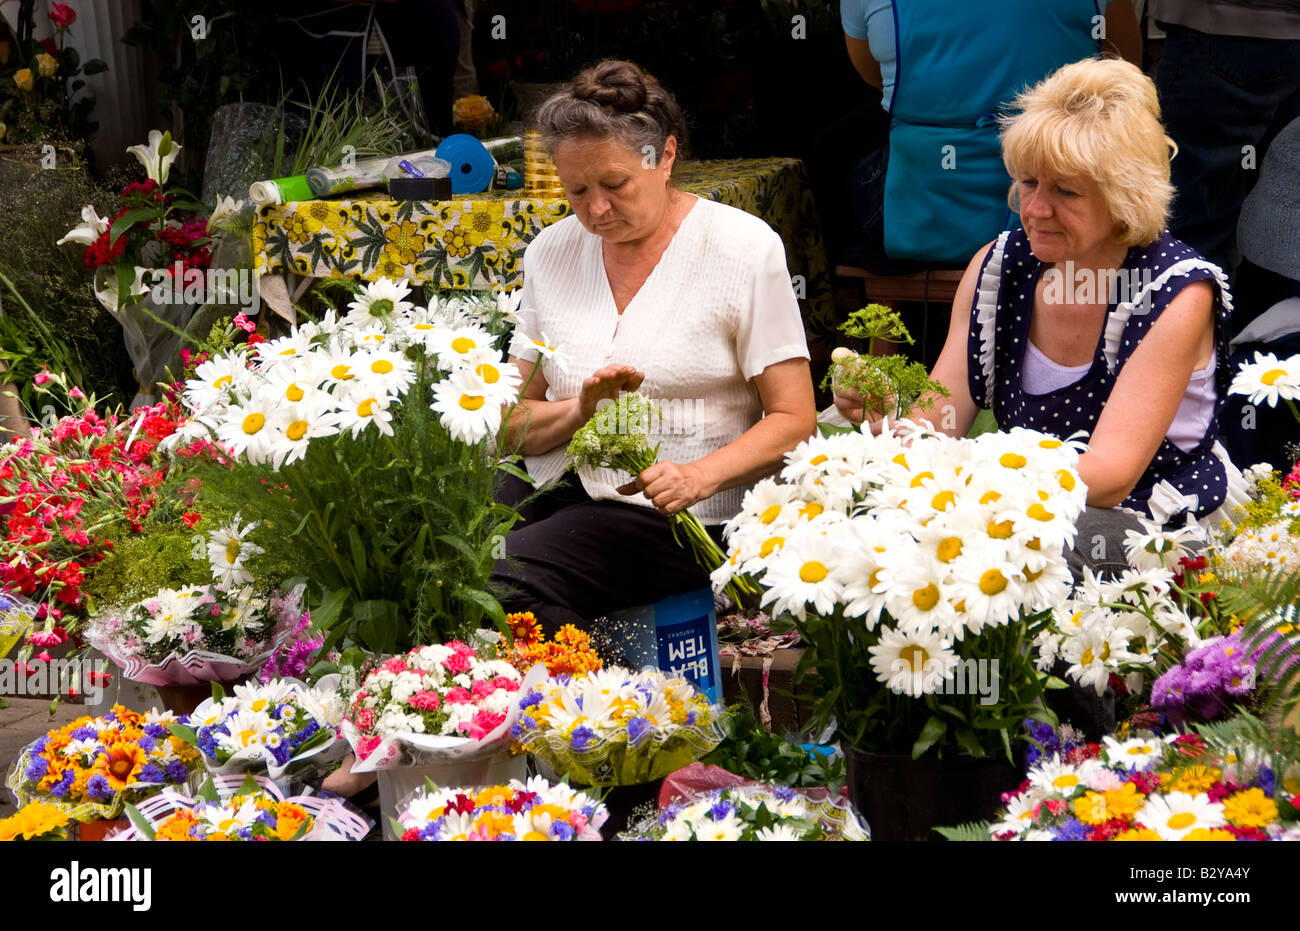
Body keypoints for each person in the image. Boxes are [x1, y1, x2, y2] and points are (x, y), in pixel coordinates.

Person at [834, 57, 1248, 577]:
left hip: (1150, 523)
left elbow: (1108, 477)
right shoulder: (998, 267)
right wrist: (885, 416)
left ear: (1127, 196)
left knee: (1018, 556)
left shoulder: (1176, 293)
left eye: (1066, 191)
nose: (1035, 209)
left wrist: (971, 483)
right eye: (1029, 182)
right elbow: (937, 428)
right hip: (1021, 510)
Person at [490, 60, 817, 634]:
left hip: (684, 514)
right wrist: (581, 410)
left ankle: (600, 707)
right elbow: (510, 423)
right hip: (566, 490)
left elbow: (795, 419)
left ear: (664, 156)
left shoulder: (741, 249)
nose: (595, 209)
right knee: (438, 545)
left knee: (506, 576)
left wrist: (699, 476)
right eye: (577, 190)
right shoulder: (551, 252)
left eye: (615, 185)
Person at [839, 0, 1141, 272]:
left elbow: (871, 75)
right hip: (1061, 209)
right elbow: (1125, 70)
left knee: (837, 157)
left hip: (923, 214)